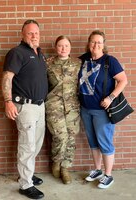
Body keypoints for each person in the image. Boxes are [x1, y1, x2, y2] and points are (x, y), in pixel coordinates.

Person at [1, 19, 48, 199]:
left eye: (36, 33)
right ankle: (25, 184)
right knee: (27, 145)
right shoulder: (17, 53)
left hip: (40, 106)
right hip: (25, 107)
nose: (34, 36)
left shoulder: (39, 54)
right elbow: (7, 78)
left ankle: (26, 173)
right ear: (23, 34)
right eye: (30, 33)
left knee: (35, 143)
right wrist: (8, 101)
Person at [78, 30, 128, 189]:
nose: (95, 45)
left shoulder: (110, 61)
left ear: (103, 44)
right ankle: (98, 170)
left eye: (99, 42)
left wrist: (110, 98)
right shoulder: (83, 59)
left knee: (105, 142)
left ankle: (108, 175)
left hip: (102, 111)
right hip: (85, 109)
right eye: (93, 42)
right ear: (88, 43)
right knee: (93, 142)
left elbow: (123, 80)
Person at [45, 35, 81, 184]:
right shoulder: (48, 64)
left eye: (66, 45)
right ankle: (56, 162)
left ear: (70, 47)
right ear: (55, 47)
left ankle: (65, 168)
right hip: (54, 106)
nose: (63, 48)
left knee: (72, 136)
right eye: (60, 45)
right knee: (60, 136)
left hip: (73, 106)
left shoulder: (78, 63)